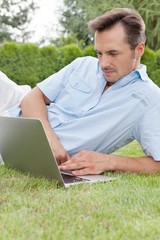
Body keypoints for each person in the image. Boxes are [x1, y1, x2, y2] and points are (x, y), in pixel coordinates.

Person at [2, 8, 160, 175]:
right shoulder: (82, 65)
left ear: (139, 50)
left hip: (16, 147)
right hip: (11, 117)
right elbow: (32, 98)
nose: (104, 63)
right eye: (99, 53)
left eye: (113, 53)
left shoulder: (150, 100)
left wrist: (109, 161)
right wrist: (48, 138)